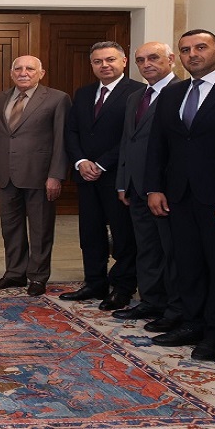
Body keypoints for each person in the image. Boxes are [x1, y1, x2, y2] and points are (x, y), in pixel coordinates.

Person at [144, 30, 215, 361]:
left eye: (200, 47)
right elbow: (157, 144)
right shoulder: (173, 93)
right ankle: (192, 323)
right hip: (178, 195)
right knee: (187, 263)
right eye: (185, 49)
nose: (193, 54)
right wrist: (154, 187)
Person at [61, 42, 144, 309]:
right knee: (90, 232)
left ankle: (122, 287)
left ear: (124, 61)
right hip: (85, 176)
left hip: (117, 176)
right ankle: (94, 282)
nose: (104, 65)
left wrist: (101, 163)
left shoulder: (138, 92)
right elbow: (72, 131)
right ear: (92, 65)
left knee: (123, 235)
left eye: (110, 60)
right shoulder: (84, 93)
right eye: (98, 61)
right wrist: (80, 161)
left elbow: (132, 136)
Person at [0, 55, 70, 297]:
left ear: (41, 73)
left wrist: (56, 175)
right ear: (11, 73)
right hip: (4, 175)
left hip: (40, 176)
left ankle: (38, 277)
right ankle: (14, 273)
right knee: (10, 227)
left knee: (41, 229)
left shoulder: (57, 98)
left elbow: (61, 140)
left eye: (30, 68)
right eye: (18, 69)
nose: (23, 72)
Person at [113, 42, 182, 331]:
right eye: (140, 60)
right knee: (147, 249)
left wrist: (159, 187)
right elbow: (128, 141)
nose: (146, 64)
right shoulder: (136, 96)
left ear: (171, 59)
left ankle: (174, 309)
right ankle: (151, 301)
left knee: (172, 252)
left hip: (166, 191)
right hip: (136, 187)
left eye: (153, 58)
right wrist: (122, 182)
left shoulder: (181, 92)